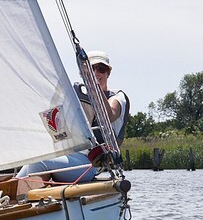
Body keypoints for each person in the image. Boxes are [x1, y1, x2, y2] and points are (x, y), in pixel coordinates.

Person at [16, 51, 128, 184]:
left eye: (101, 69)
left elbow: (109, 115)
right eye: (91, 69)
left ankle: (27, 197)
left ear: (108, 73)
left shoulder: (118, 98)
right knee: (29, 164)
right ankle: (8, 198)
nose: (96, 73)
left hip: (87, 164)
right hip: (64, 156)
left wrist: (94, 86)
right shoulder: (73, 97)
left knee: (40, 163)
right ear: (82, 73)